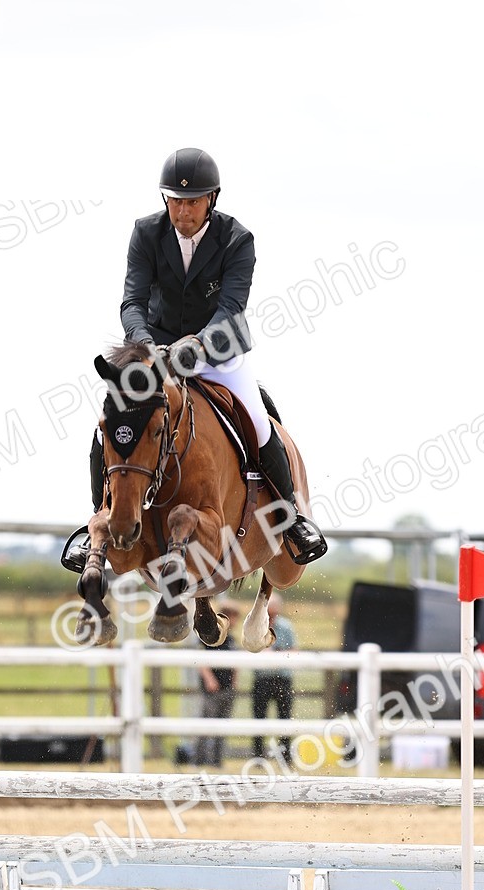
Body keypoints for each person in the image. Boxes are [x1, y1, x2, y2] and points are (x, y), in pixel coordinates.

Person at [89, 147, 326, 566]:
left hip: (217, 352)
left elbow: (231, 308)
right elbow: (132, 302)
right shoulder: (146, 233)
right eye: (176, 201)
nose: (183, 211)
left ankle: (291, 516)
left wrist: (197, 345)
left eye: (193, 202)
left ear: (212, 199)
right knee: (110, 422)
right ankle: (98, 514)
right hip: (157, 352)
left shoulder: (237, 240)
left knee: (258, 422)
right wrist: (146, 346)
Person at [252, 593, 297, 763]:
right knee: (259, 717)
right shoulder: (255, 626)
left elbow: (294, 650)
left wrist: (278, 654)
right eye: (269, 613)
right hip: (262, 678)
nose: (272, 616)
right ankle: (258, 756)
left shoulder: (286, 626)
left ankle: (285, 755)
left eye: (274, 613)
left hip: (282, 678)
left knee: (284, 717)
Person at [194, 604, 240, 768]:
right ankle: (199, 759)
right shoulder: (210, 637)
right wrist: (209, 679)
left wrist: (234, 681)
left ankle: (216, 760)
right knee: (206, 723)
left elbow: (235, 663)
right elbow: (200, 659)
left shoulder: (231, 639)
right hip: (213, 688)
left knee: (222, 725)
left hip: (227, 688)